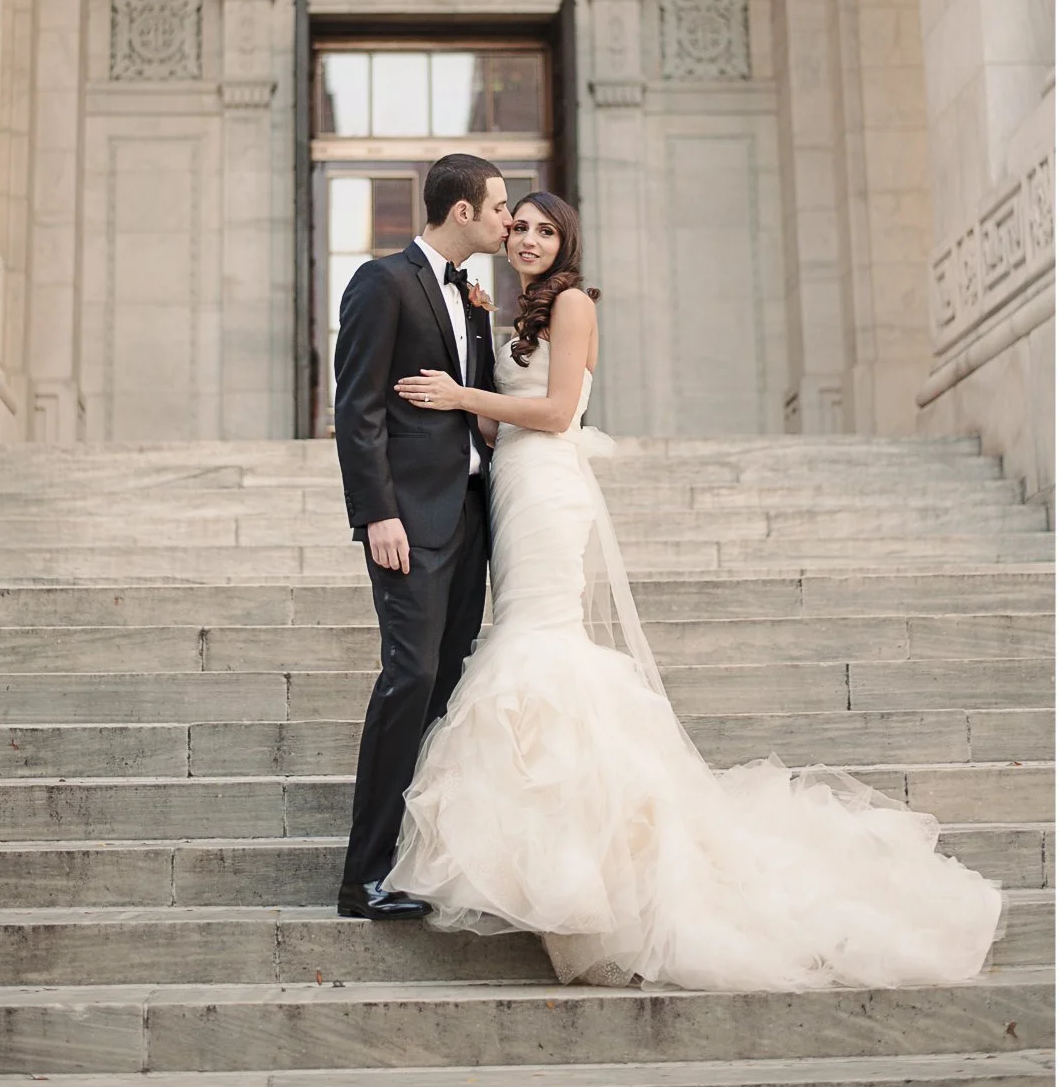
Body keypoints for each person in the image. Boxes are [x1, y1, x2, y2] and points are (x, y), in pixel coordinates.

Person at [388, 190, 1004, 989]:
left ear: (566, 242)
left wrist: (464, 396)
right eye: (522, 229)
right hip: (510, 486)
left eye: (547, 229)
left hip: (548, 486)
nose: (530, 239)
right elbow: (506, 420)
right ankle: (559, 852)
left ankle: (585, 857)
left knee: (541, 639)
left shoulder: (573, 303)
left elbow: (558, 409)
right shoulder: (514, 314)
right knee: (524, 631)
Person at [333, 152, 513, 921]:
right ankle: (363, 876)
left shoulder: (472, 298)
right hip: (409, 520)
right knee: (407, 680)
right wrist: (377, 513)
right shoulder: (382, 282)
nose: (510, 221)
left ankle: (418, 857)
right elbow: (358, 407)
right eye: (501, 207)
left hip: (471, 517)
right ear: (464, 210)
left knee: (445, 688)